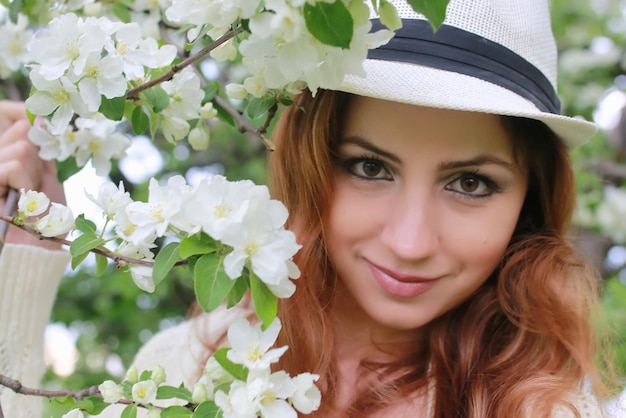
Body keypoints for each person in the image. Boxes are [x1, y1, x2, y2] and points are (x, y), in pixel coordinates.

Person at [0, 0, 616, 416]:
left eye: (472, 184)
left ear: (530, 201)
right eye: (370, 167)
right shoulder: (186, 366)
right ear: (309, 161)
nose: (409, 241)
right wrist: (28, 256)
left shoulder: (544, 407)